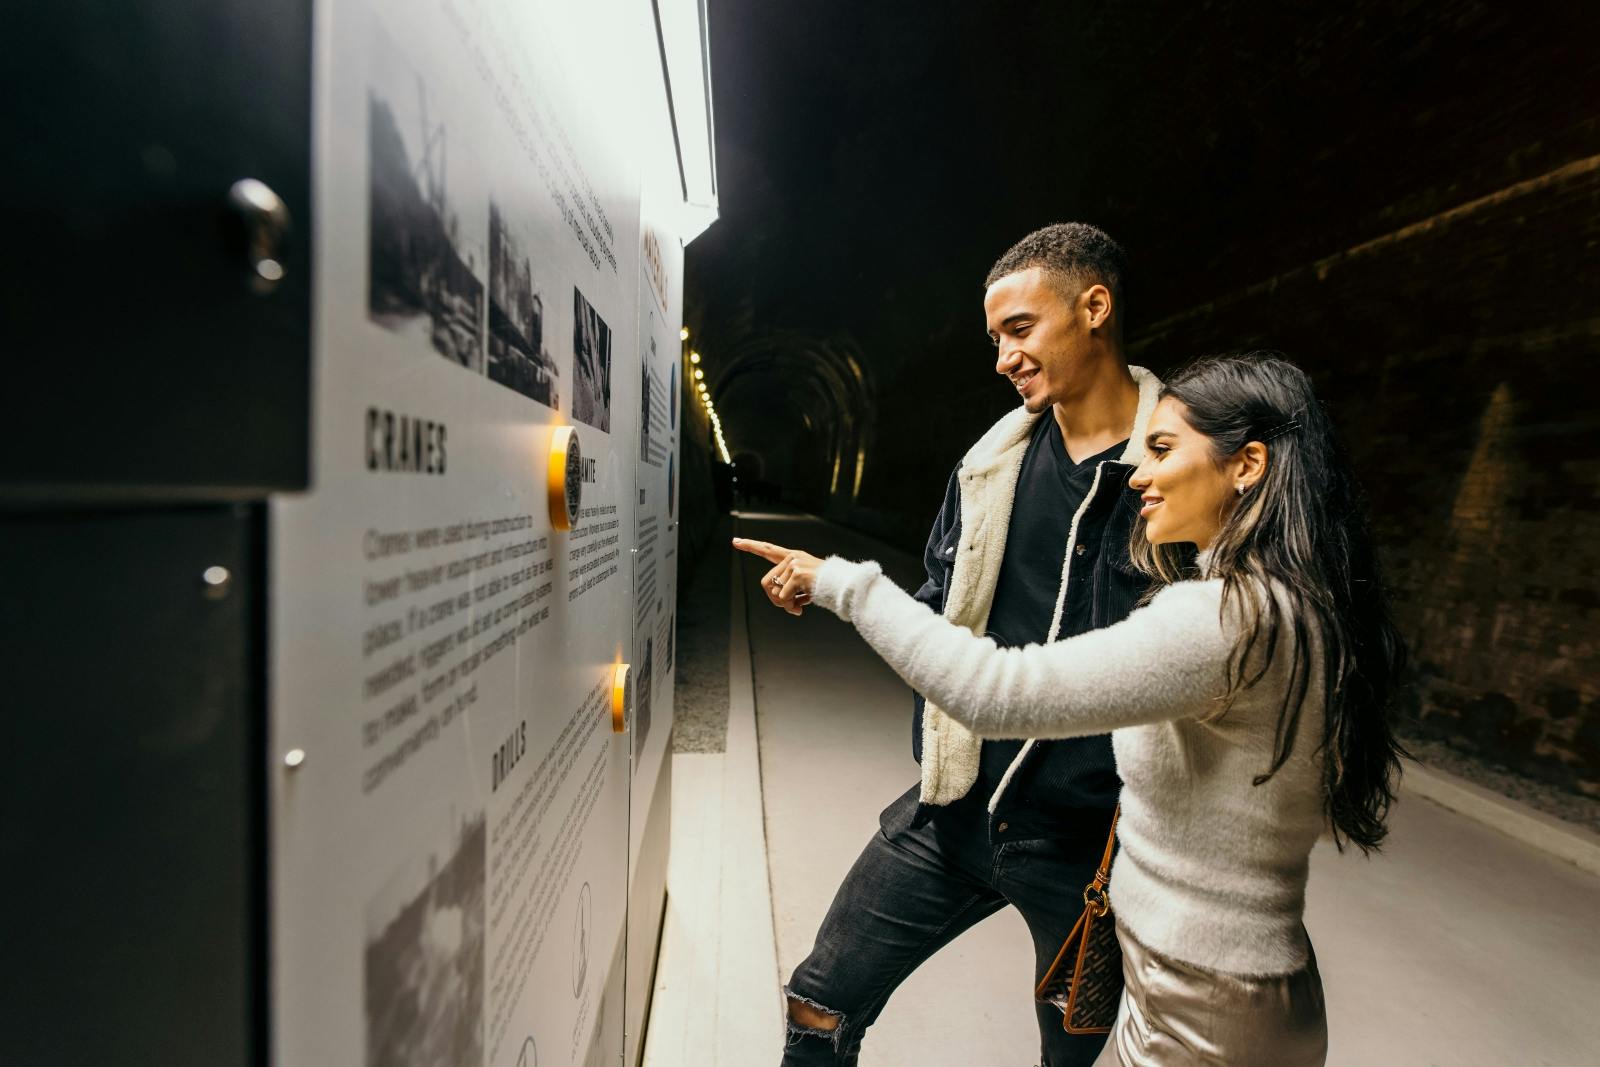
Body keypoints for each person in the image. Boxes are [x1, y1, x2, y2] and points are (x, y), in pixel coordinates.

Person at [736, 352, 1409, 1066]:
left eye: (1162, 449)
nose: (1140, 473)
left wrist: (841, 584)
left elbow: (991, 692)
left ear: (1247, 465)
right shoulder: (1293, 607)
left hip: (1204, 1003)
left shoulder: (1222, 620)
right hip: (1230, 989)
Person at [768, 222, 1163, 1066]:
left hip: (1092, 851)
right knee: (819, 1003)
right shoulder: (989, 465)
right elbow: (938, 608)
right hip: (956, 808)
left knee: (1071, 1061)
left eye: (1020, 329)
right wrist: (837, 593)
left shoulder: (1174, 474)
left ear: (1094, 307)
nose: (1003, 358)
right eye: (994, 339)